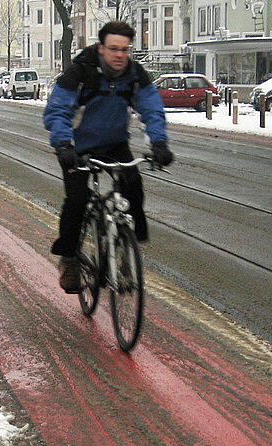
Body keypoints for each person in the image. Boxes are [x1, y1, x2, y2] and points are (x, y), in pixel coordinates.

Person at [43, 21, 173, 294]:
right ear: (101, 48)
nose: (119, 55)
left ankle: (127, 250)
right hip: (76, 146)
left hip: (114, 144)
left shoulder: (134, 74)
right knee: (77, 201)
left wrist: (159, 142)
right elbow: (58, 111)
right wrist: (64, 145)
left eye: (125, 49)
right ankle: (69, 259)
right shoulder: (81, 71)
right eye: (113, 49)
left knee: (133, 188)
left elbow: (151, 108)